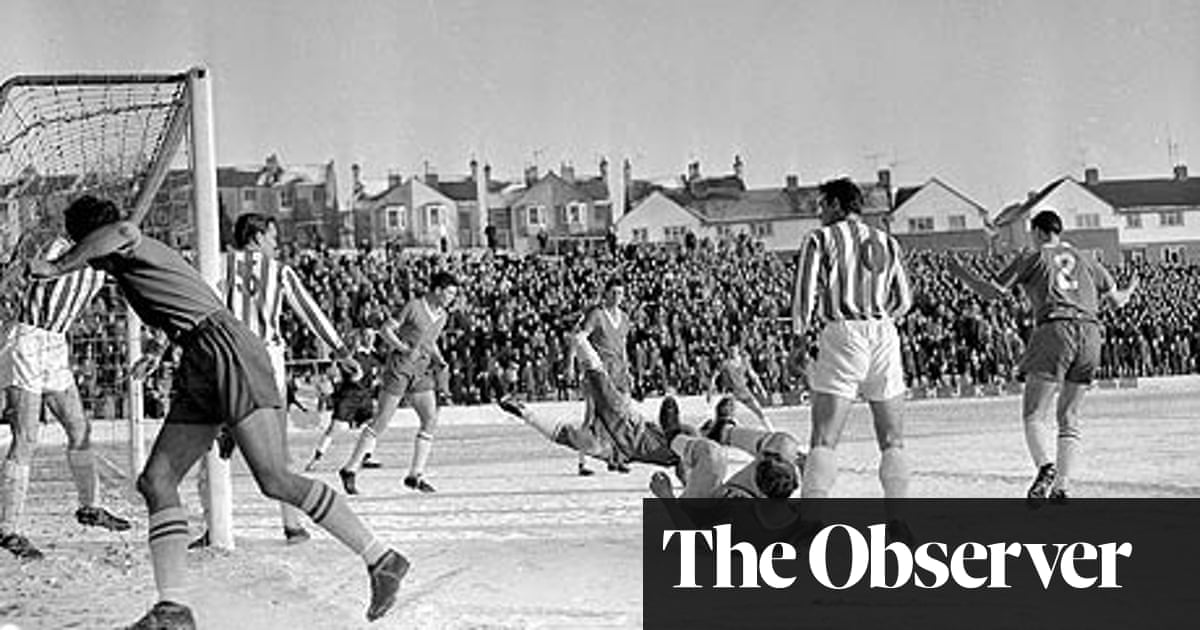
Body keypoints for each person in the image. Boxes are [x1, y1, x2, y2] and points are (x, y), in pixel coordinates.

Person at [31, 195, 407, 628]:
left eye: (79, 244)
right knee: (157, 481)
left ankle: (382, 558)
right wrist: (158, 351)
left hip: (228, 352)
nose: (86, 261)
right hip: (200, 354)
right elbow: (185, 305)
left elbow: (122, 231)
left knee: (274, 477)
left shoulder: (128, 241)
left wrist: (58, 266)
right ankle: (172, 610)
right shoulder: (132, 268)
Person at [187, 213, 360, 548]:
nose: (276, 243)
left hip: (227, 357)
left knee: (210, 447)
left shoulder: (215, 265)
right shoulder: (279, 271)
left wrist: (159, 352)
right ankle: (292, 526)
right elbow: (311, 312)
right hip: (267, 361)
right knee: (277, 448)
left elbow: (192, 310)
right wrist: (341, 350)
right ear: (255, 237)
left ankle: (216, 526)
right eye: (272, 236)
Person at [949, 210, 1136, 506]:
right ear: (1058, 231)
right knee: (1069, 416)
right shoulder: (1088, 258)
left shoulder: (1033, 256)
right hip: (1090, 334)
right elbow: (1117, 301)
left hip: (1055, 329)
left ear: (1037, 232)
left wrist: (962, 274)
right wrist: (1131, 287)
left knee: (1034, 413)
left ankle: (1046, 467)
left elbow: (992, 293)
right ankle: (1062, 486)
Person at [791, 177, 913, 537]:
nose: (818, 212)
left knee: (825, 437)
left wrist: (799, 340)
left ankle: (811, 522)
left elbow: (804, 293)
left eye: (821, 204)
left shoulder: (821, 238)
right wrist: (878, 314)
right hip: (884, 332)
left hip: (844, 332)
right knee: (892, 438)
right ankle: (898, 523)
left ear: (834, 204)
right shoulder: (887, 241)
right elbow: (904, 300)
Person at [0, 236, 131, 560]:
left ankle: (90, 507)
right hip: (28, 339)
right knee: (27, 437)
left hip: (55, 345)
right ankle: (7, 529)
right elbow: (26, 273)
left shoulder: (104, 257)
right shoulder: (57, 247)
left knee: (79, 429)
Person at [339, 272, 458, 495]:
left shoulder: (442, 316)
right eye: (450, 292)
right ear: (438, 290)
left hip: (421, 371)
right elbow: (385, 330)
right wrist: (403, 348)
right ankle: (350, 468)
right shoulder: (414, 306)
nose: (452, 297)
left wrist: (439, 359)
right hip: (400, 368)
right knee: (382, 420)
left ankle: (415, 474)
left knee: (430, 418)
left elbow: (430, 342)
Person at [497, 332, 682, 468]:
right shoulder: (686, 443)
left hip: (618, 447)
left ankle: (524, 412)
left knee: (580, 437)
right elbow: (669, 413)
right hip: (628, 429)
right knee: (600, 394)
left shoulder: (684, 451)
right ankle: (582, 343)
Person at [566, 278, 633, 476]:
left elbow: (623, 348)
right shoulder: (596, 314)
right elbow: (578, 337)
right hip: (599, 372)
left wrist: (628, 371)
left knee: (621, 416)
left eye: (620, 293)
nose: (617, 297)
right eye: (613, 293)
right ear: (606, 293)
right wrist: (571, 363)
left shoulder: (624, 318)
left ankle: (616, 458)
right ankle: (583, 460)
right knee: (592, 415)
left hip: (619, 372)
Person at [306, 328, 383, 471]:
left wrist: (376, 382)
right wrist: (342, 376)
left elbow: (376, 376)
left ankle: (366, 456)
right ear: (361, 337)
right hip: (349, 397)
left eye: (372, 336)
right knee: (334, 429)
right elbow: (338, 369)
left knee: (373, 426)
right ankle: (316, 459)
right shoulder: (352, 356)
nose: (370, 338)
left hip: (365, 397)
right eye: (366, 335)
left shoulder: (374, 357)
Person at [706, 344, 773, 431]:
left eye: (734, 350)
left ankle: (770, 430)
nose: (732, 352)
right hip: (731, 394)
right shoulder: (725, 363)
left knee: (759, 411)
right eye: (730, 351)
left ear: (738, 350)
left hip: (744, 391)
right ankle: (715, 430)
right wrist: (709, 392)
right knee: (725, 413)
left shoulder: (744, 362)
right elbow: (714, 377)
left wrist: (761, 389)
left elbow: (753, 376)